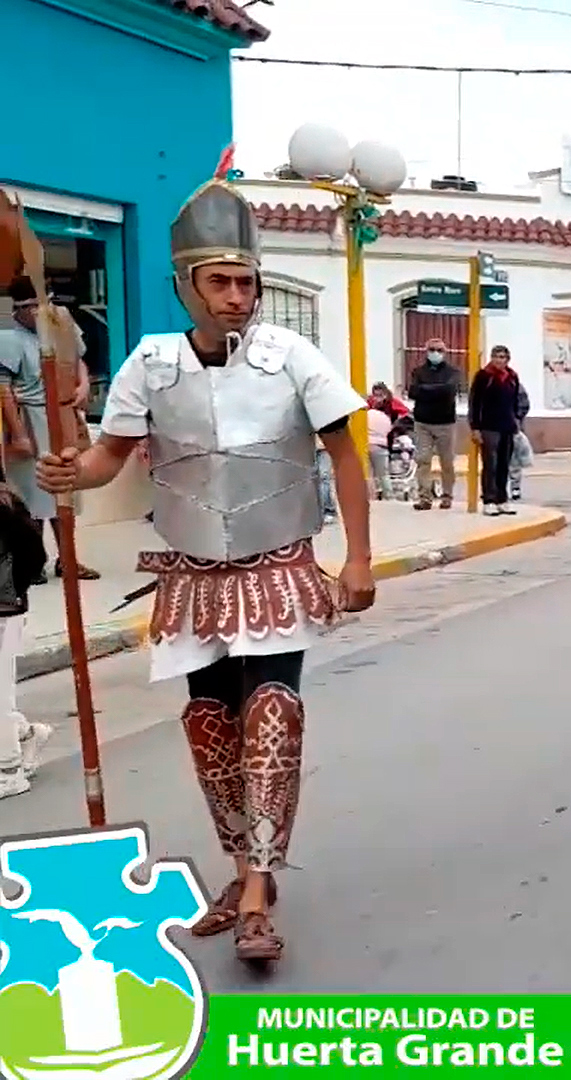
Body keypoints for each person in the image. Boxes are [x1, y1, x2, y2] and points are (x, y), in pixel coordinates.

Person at [35, 179, 376, 963]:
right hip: (191, 579)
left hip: (277, 567)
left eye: (245, 281)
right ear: (185, 284)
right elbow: (108, 457)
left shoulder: (291, 356)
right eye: (219, 282)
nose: (235, 297)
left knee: (271, 718)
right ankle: (240, 865)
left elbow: (345, 455)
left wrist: (356, 557)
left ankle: (258, 887)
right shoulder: (151, 364)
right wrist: (69, 473)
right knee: (212, 729)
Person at [0, 277, 100, 580]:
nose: (38, 313)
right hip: (31, 419)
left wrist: (83, 386)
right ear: (20, 310)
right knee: (33, 496)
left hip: (65, 416)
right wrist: (18, 434)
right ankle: (33, 561)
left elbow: (79, 360)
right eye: (31, 308)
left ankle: (67, 559)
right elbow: (3, 388)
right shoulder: (9, 338)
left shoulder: (60, 325)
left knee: (65, 494)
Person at [0, 481, 49, 801]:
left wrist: (14, 592)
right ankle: (28, 735)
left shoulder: (5, 508)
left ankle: (10, 772)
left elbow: (35, 554)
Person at [408, 336, 463, 509]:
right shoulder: (418, 372)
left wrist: (426, 390)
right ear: (426, 351)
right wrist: (436, 390)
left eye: (439, 350)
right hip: (422, 422)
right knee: (423, 460)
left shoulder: (452, 372)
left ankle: (447, 495)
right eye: (432, 349)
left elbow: (449, 391)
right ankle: (425, 497)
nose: (435, 353)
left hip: (445, 423)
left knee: (446, 461)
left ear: (445, 353)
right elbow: (413, 392)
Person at [469, 345, 523, 516]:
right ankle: (489, 500)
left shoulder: (512, 377)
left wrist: (516, 421)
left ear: (508, 359)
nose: (499, 360)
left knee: (504, 464)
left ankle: (502, 499)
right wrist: (475, 427)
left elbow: (516, 401)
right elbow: (475, 403)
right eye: (496, 356)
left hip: (507, 426)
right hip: (488, 426)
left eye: (503, 357)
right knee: (490, 464)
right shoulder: (484, 376)